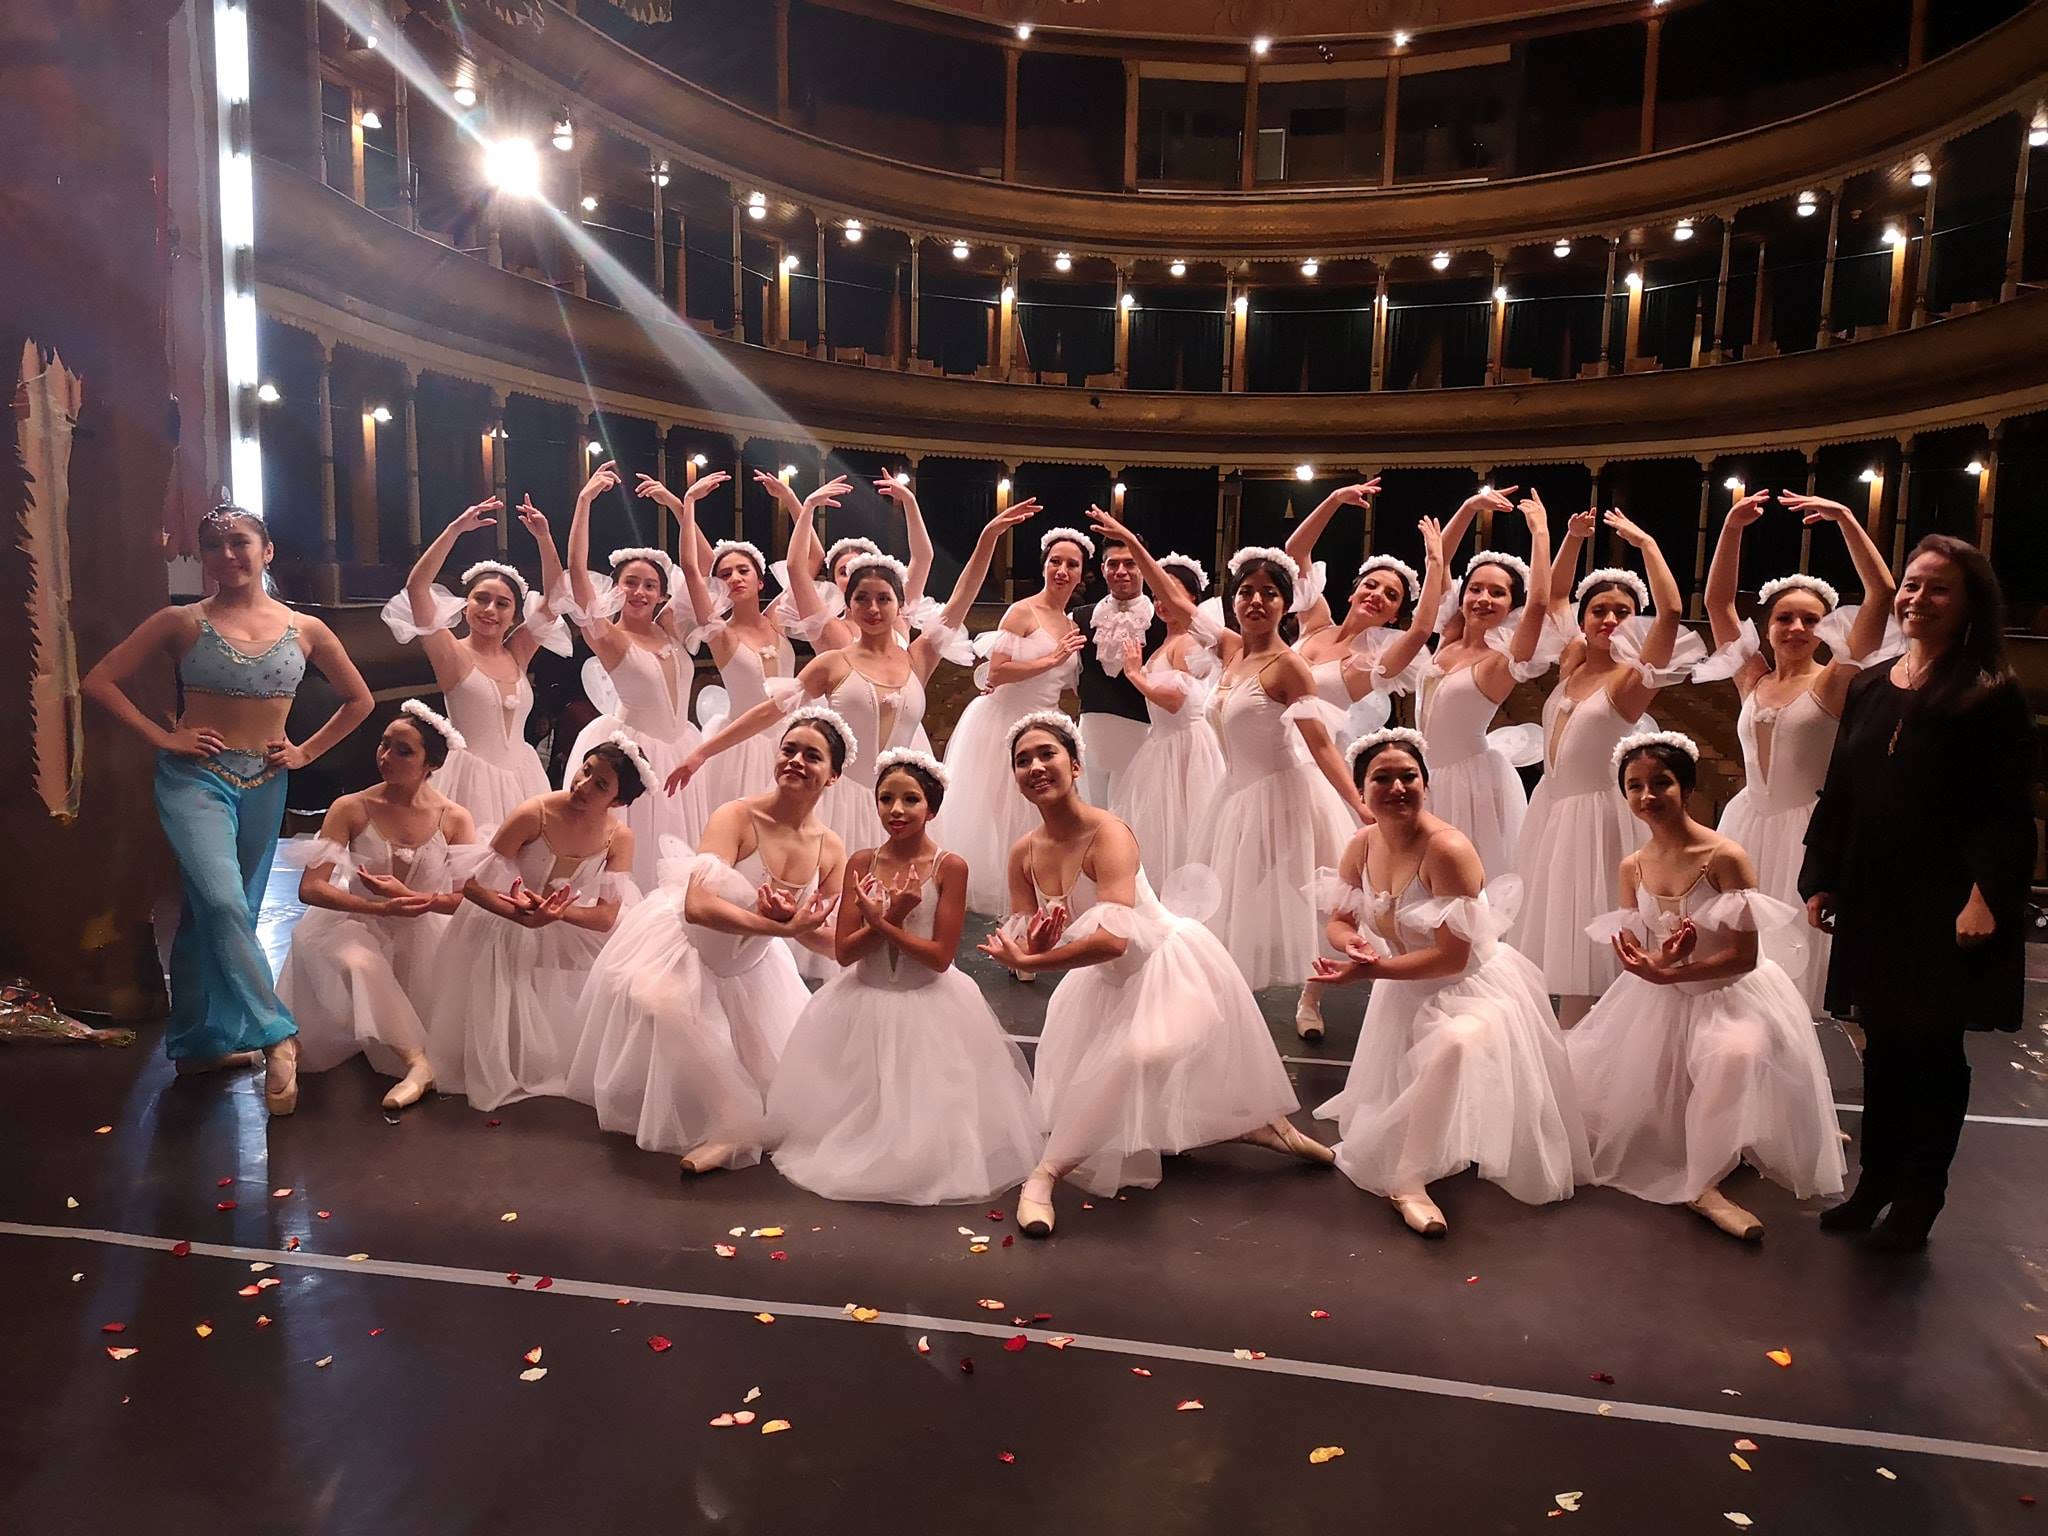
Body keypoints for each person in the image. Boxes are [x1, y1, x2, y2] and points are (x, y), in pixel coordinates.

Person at [979, 712, 1332, 1238]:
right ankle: (1259, 1127)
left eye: (1046, 754)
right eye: (1022, 760)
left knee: (1139, 1056)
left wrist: (1032, 962)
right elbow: (1032, 928)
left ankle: (1044, 1175)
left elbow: (1116, 939)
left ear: (1075, 766)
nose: (1035, 766)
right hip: (1104, 981)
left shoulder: (1110, 833)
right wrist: (1033, 943)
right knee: (1111, 1075)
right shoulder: (1023, 853)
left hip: (1170, 965)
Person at [82, 503, 373, 1113]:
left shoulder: (306, 629)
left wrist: (305, 752)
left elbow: (359, 700)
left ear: (266, 551)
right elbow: (99, 681)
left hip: (265, 783)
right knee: (220, 900)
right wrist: (163, 737)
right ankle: (276, 1031)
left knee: (207, 912)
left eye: (240, 543)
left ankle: (198, 1043)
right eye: (213, 546)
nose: (228, 555)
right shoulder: (178, 621)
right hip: (194, 779)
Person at [1801, 535, 2034, 1251]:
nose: (1916, 599)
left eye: (1938, 588)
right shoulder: (1871, 683)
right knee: (1884, 1047)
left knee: (1931, 1051)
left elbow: (2004, 809)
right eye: (1910, 585)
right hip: (1875, 889)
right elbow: (1842, 790)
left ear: (1969, 605)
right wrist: (1823, 874)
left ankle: (1918, 1200)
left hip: (1944, 897)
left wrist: (1986, 895)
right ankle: (1875, 1182)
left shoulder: (1988, 693)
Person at [668, 502, 1031, 929]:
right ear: (849, 603)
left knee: (900, 920)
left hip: (898, 806)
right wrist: (702, 753)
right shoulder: (832, 663)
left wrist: (987, 536)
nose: (873, 608)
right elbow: (768, 713)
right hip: (841, 806)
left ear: (900, 605)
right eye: (862, 598)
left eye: (883, 599)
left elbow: (962, 596)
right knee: (840, 924)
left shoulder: (919, 656)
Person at [1310, 729, 1588, 1236]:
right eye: (1382, 778)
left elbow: (1451, 958)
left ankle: (1408, 1181)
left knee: (1453, 1047)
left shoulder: (1448, 849)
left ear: (1426, 783)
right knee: (1419, 1077)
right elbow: (1339, 918)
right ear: (1362, 789)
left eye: (1408, 776)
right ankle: (1414, 1153)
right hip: (1402, 982)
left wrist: (1369, 971)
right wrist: (1350, 942)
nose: (1397, 788)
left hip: (1472, 988)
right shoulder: (1361, 844)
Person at [1571, 733, 1845, 1240]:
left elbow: (1741, 957)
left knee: (1732, 1056)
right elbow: (1637, 952)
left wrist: (1671, 971)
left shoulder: (1724, 856)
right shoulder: (1631, 867)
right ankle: (1696, 1150)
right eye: (1635, 786)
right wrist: (1658, 962)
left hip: (1732, 992)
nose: (1647, 796)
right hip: (1665, 991)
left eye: (1661, 783)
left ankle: (1704, 1183)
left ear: (1687, 788)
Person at [570, 713, 846, 1175]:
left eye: (812, 755)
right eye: (788, 749)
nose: (795, 761)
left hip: (750, 966)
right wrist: (778, 927)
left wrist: (817, 929)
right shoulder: (737, 816)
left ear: (833, 776)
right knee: (658, 1000)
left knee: (785, 1085)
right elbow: (697, 906)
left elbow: (825, 936)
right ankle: (734, 1123)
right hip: (685, 946)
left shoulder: (831, 848)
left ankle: (739, 1116)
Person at [769, 749, 1043, 1204]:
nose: (896, 810)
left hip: (930, 1001)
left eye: (910, 800)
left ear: (931, 809)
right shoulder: (861, 863)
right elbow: (843, 952)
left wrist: (884, 922)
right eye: (886, 799)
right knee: (859, 1100)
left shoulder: (948, 867)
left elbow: (939, 958)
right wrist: (889, 917)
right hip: (864, 997)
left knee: (926, 1110)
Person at [1700, 490, 1898, 1014]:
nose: (1797, 629)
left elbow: (1881, 593)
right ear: (1767, 625)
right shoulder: (1751, 678)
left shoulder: (1833, 681)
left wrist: (1848, 520)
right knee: (1736, 967)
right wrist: (1732, 528)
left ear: (1824, 629)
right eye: (1785, 618)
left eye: (1811, 620)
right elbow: (1717, 604)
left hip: (1804, 832)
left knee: (1790, 972)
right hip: (1746, 824)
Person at [1509, 508, 1701, 1025]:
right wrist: (1567, 539)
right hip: (1552, 808)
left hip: (1596, 818)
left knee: (1595, 934)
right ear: (1585, 618)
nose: (1609, 620)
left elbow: (1672, 613)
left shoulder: (1630, 682)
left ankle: (1592, 1035)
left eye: (1621, 612)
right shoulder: (1571, 660)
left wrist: (1646, 543)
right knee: (1558, 932)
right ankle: (1566, 1035)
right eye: (1599, 610)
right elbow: (1551, 598)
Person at [277, 702, 480, 1111]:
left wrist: (411, 899)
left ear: (431, 765)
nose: (386, 757)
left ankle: (413, 1053)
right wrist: (378, 909)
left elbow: (466, 899)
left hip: (421, 931)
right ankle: (418, 1062)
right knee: (359, 961)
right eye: (384, 745)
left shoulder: (455, 818)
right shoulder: (351, 807)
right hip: (352, 918)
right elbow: (311, 888)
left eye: (403, 751)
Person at [425, 741, 642, 1111]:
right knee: (509, 958)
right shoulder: (534, 813)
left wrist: (556, 914)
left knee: (624, 970)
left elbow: (606, 917)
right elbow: (473, 886)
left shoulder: (618, 837)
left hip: (563, 919)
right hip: (504, 914)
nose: (583, 785)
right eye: (585, 770)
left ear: (618, 802)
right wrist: (521, 915)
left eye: (601, 785)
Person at [558, 461, 711, 890]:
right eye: (630, 583)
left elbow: (704, 567)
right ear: (616, 588)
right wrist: (585, 502)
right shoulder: (608, 635)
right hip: (633, 754)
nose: (640, 592)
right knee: (635, 853)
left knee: (679, 850)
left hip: (680, 747)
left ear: (662, 594)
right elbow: (576, 568)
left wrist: (681, 510)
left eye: (649, 585)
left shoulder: (672, 628)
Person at [380, 495, 570, 823]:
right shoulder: (451, 654)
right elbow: (417, 588)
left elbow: (555, 600)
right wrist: (455, 530)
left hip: (523, 778)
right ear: (465, 605)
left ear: (514, 615)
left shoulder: (518, 652)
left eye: (502, 604)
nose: (489, 610)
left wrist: (544, 538)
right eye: (481, 599)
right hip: (469, 782)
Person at [638, 469, 803, 816]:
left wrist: (793, 500)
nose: (734, 578)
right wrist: (686, 504)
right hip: (740, 750)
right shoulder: (720, 634)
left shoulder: (777, 619)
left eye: (744, 571)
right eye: (726, 575)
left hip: (791, 742)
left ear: (760, 582)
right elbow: (692, 565)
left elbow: (806, 562)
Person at [943, 525, 1090, 913]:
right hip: (1004, 723)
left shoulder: (1073, 624)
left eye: (1071, 564)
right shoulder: (1022, 611)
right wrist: (1052, 658)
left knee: (1047, 813)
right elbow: (997, 672)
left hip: (1048, 724)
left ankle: (1048, 893)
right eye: (1055, 561)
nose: (1062, 570)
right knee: (1008, 814)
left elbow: (1068, 684)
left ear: (1080, 573)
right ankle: (1019, 902)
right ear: (1044, 566)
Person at [1416, 495, 1563, 879]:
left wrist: (1541, 532)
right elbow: (1440, 563)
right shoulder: (1448, 637)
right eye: (1476, 589)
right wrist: (1468, 507)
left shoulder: (1502, 663)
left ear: (1511, 605)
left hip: (1466, 783)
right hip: (1424, 773)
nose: (1483, 598)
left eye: (1497, 593)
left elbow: (1540, 603)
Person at [1108, 553, 1227, 886]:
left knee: (1186, 825)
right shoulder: (1168, 642)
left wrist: (1134, 674)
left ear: (1190, 598)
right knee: (1162, 827)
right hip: (1163, 743)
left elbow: (1176, 701)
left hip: (1185, 745)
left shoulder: (1189, 640)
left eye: (1170, 592)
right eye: (1157, 594)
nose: (1161, 602)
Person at [1075, 534, 1169, 807]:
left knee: (1133, 815)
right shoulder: (1081, 617)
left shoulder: (1162, 621)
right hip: (1091, 732)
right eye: (1113, 564)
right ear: (1102, 568)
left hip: (1141, 734)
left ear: (1144, 566)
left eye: (1130, 563)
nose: (1121, 571)